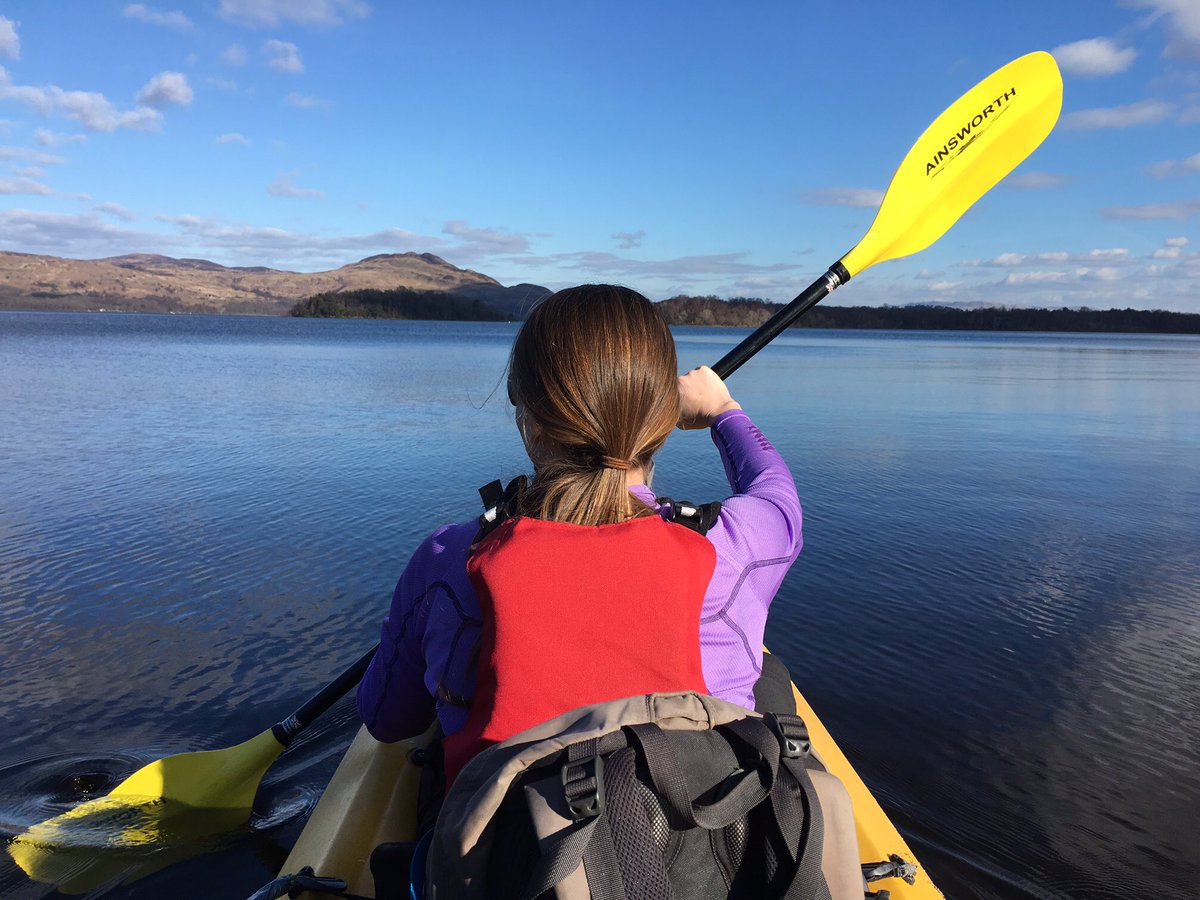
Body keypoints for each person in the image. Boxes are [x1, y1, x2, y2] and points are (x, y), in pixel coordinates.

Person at [356, 284, 802, 783]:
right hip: (693, 823)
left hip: (512, 829)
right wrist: (723, 410)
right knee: (772, 680)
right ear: (665, 420)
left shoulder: (448, 558)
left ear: (530, 423)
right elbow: (778, 498)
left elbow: (387, 720)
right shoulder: (735, 548)